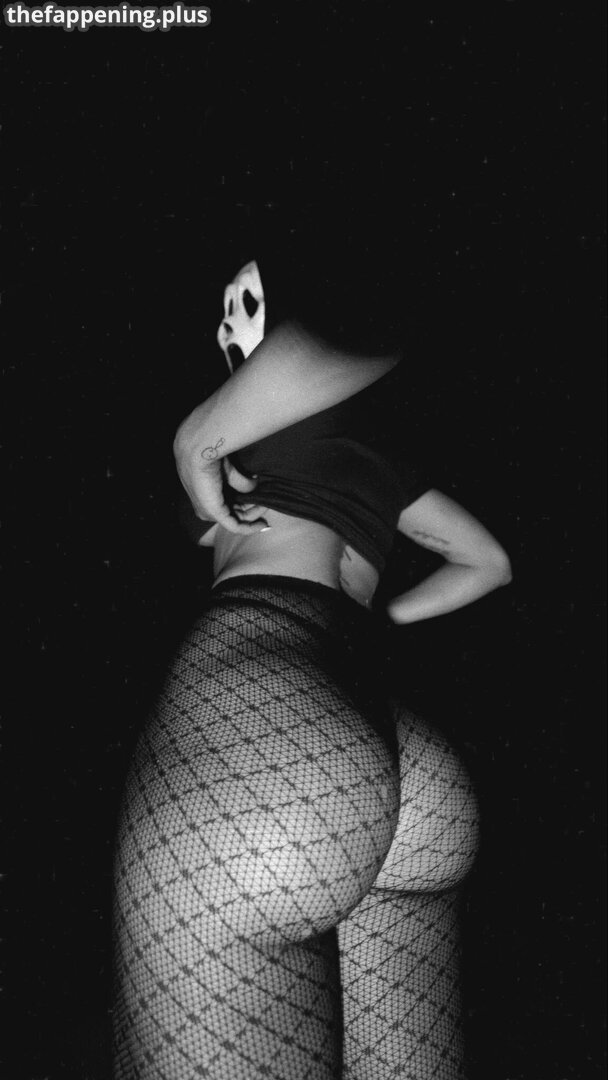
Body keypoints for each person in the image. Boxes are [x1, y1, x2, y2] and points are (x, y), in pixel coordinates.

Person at [112, 257, 512, 1080]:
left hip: (268, 706)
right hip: (398, 747)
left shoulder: (237, 429)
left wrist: (199, 438)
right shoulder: (384, 460)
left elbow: (367, 319)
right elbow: (490, 565)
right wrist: (385, 619)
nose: (228, 327)